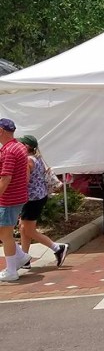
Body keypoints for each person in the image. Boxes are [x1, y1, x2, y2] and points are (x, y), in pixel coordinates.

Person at [17, 135, 68, 269]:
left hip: (32, 199)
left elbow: (25, 181)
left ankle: (57, 248)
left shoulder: (28, 161)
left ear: (27, 146)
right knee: (23, 228)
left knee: (29, 230)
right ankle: (25, 259)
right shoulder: (37, 158)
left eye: (21, 143)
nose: (19, 145)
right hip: (39, 196)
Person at [0, 118, 31, 282]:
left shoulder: (8, 151)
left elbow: (5, 178)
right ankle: (21, 257)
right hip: (17, 196)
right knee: (4, 232)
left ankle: (11, 270)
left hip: (8, 198)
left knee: (5, 234)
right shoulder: (19, 146)